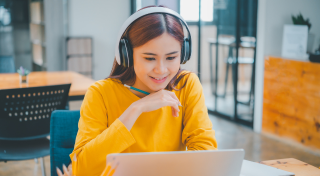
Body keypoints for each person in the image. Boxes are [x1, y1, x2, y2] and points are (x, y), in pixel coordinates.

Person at [70, 5, 217, 176]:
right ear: (127, 54)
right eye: (149, 58)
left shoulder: (187, 85)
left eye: (171, 57)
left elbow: (207, 155)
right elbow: (81, 170)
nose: (161, 70)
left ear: (183, 54)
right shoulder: (100, 93)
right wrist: (136, 109)